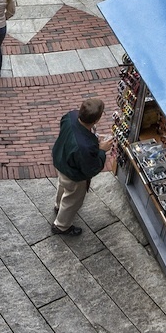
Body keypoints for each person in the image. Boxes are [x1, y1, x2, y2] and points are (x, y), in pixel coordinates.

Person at [50, 96, 111, 236]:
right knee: (73, 199)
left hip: (61, 160)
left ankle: (58, 206)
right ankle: (62, 226)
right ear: (96, 120)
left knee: (62, 186)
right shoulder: (84, 147)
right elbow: (91, 168)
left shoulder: (70, 116)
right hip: (74, 174)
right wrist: (102, 150)